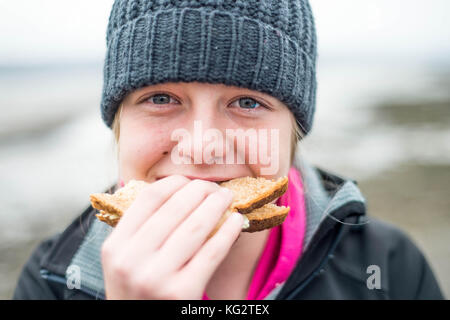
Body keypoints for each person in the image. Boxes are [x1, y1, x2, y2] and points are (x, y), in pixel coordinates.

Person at [13, 0, 443, 300]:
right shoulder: (52, 279)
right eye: (161, 99)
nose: (201, 148)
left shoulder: (390, 268)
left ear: (293, 132)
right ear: (119, 124)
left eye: (248, 103)